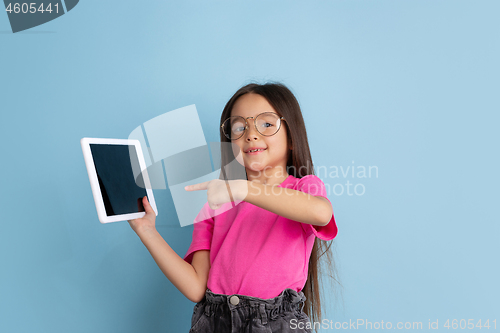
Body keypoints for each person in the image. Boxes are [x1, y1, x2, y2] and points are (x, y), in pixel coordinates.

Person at [128, 82, 339, 333]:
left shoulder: (303, 188)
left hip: (277, 323)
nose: (250, 134)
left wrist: (244, 189)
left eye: (267, 124)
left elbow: (320, 213)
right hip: (214, 321)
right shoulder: (214, 205)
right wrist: (147, 231)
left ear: (292, 138)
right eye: (239, 127)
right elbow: (196, 287)